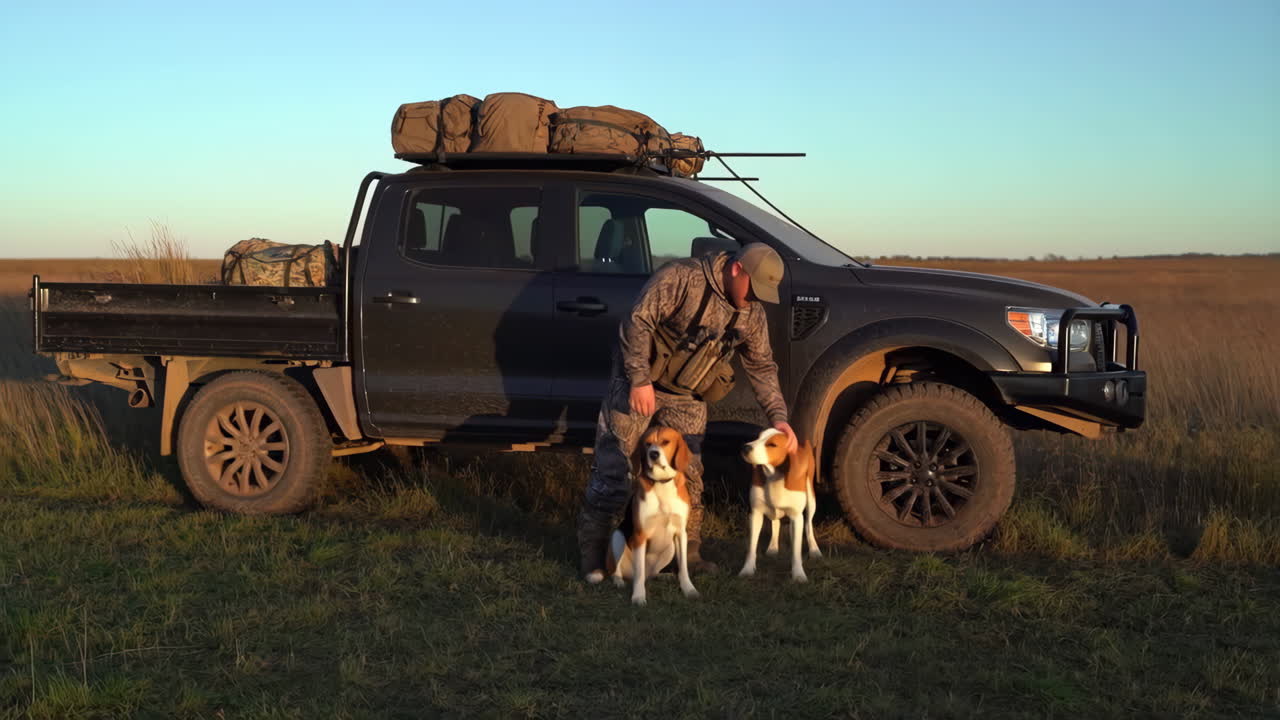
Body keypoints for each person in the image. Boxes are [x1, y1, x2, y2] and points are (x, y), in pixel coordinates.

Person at [576, 242, 798, 577]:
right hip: (639, 382)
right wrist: (638, 379)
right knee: (615, 467)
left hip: (687, 394)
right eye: (755, 288)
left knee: (690, 473)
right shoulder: (680, 278)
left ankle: (687, 553)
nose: (756, 299)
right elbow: (637, 321)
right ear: (737, 269)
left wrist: (779, 419)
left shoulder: (751, 314)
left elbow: (763, 367)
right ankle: (594, 553)